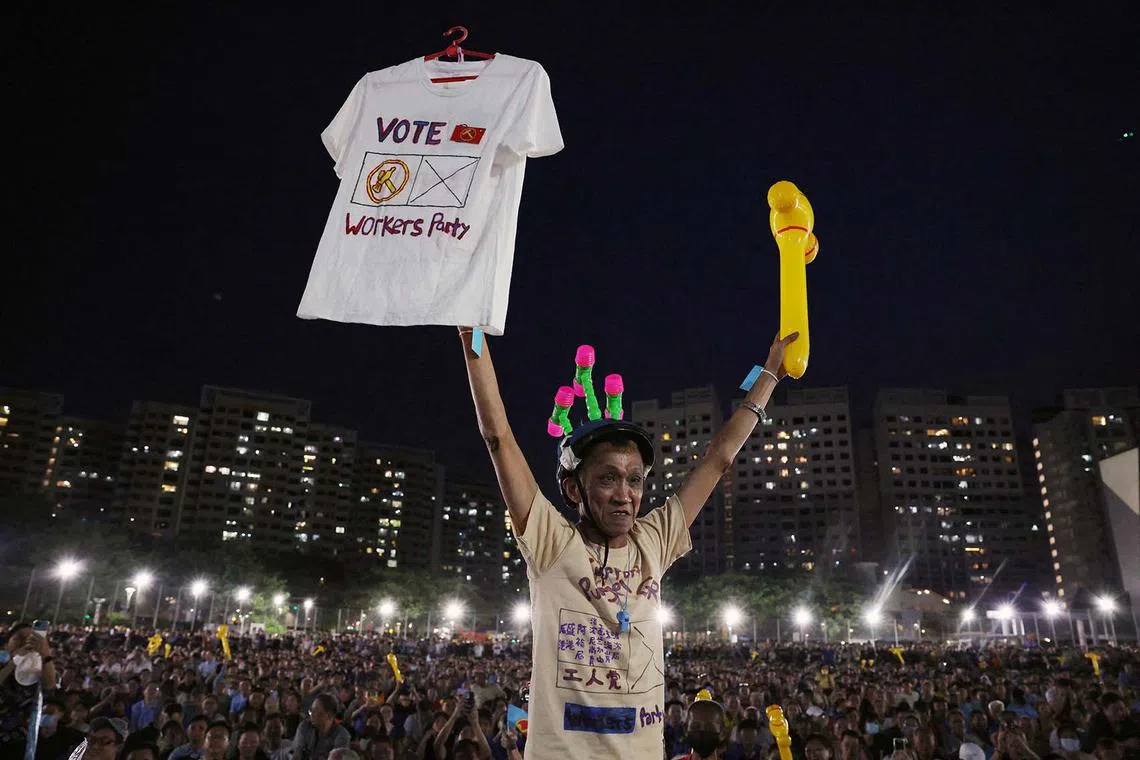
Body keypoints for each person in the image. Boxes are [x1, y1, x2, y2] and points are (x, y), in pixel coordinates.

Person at [459, 326, 797, 759]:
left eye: (634, 480)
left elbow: (720, 456)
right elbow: (498, 437)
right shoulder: (550, 543)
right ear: (573, 489)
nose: (625, 493)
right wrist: (472, 334)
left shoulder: (654, 539)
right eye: (607, 478)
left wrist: (768, 373)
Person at [293, 694, 350, 760]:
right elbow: (297, 755)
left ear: (329, 716)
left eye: (315, 711)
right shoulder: (305, 727)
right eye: (311, 710)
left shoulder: (342, 736)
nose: (311, 714)